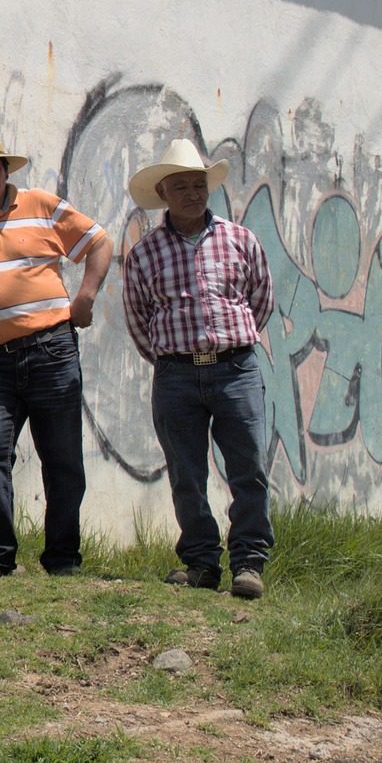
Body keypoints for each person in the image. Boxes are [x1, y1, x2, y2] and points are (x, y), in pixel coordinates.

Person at [0, 129, 112, 579]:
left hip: (52, 350)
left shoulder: (41, 205)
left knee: (62, 457)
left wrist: (84, 297)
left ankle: (63, 560)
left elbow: (99, 242)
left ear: (6, 171)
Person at [121, 139, 275, 600]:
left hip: (236, 368)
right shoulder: (144, 253)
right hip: (177, 375)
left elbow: (260, 301)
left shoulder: (240, 239)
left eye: (199, 184)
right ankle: (201, 563)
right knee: (186, 473)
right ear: (163, 193)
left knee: (248, 467)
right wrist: (176, 358)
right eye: (181, 186)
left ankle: (248, 563)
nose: (192, 193)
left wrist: (229, 344)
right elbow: (138, 319)